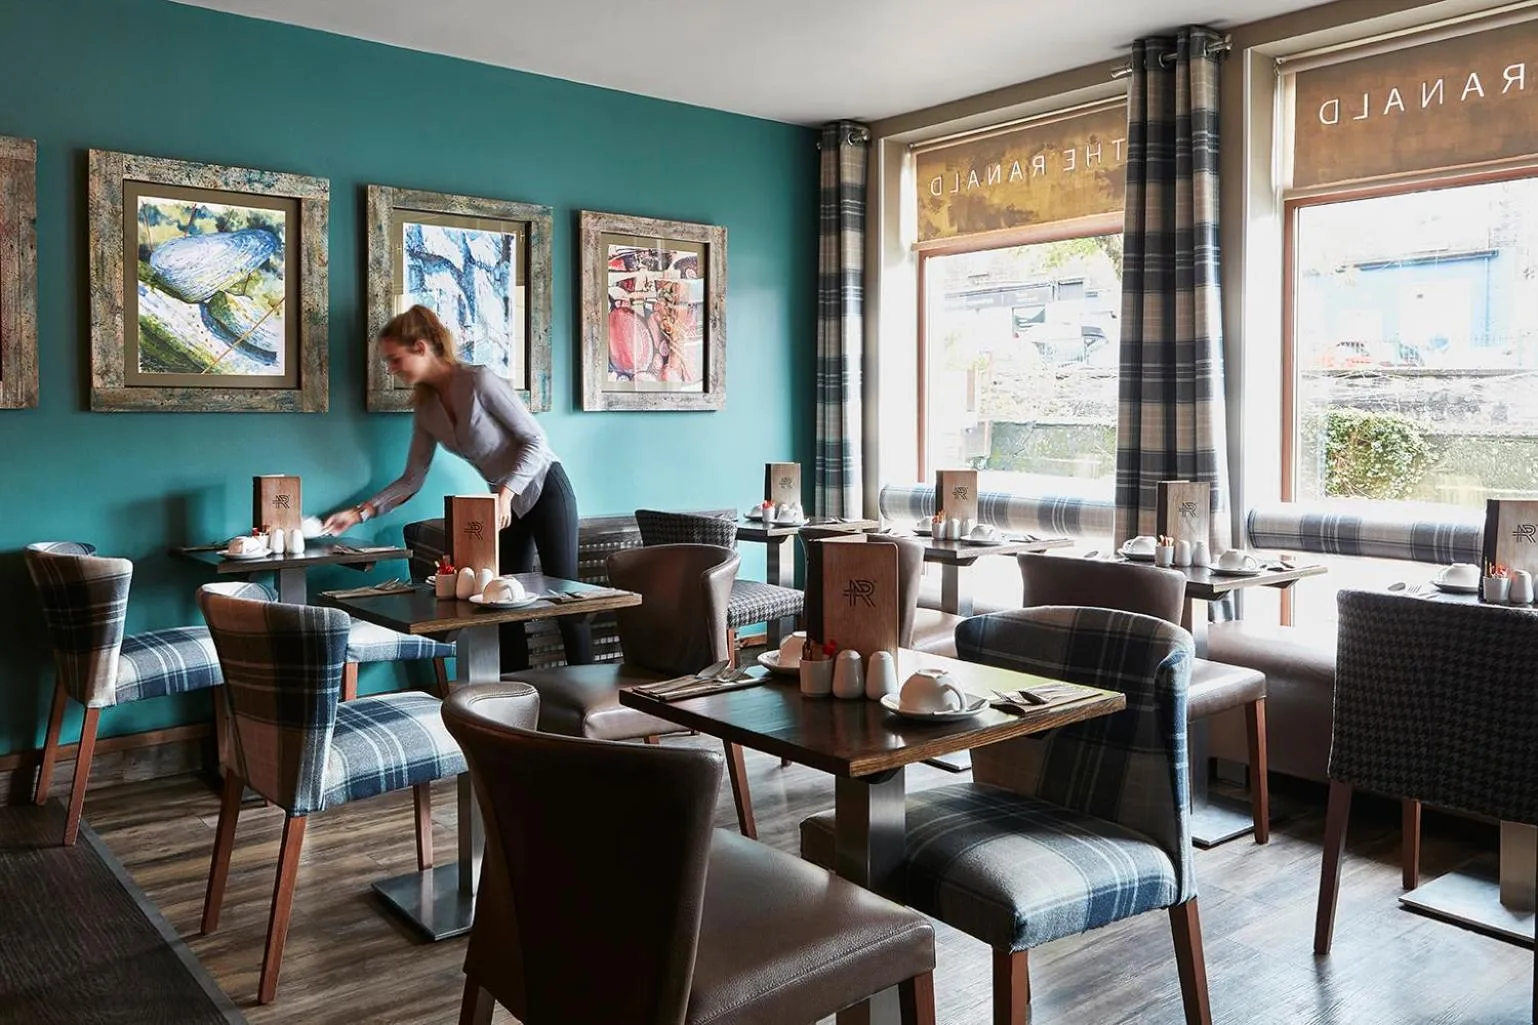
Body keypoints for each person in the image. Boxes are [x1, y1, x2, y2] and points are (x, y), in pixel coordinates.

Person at [323, 305, 591, 670]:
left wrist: (506, 494)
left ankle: (587, 690)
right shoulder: (427, 410)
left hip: (544, 487)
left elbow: (535, 441)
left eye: (395, 359)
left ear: (421, 347)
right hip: (503, 502)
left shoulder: (479, 381)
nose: (392, 368)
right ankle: (516, 696)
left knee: (568, 601)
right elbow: (412, 479)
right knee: (499, 602)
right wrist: (359, 513)